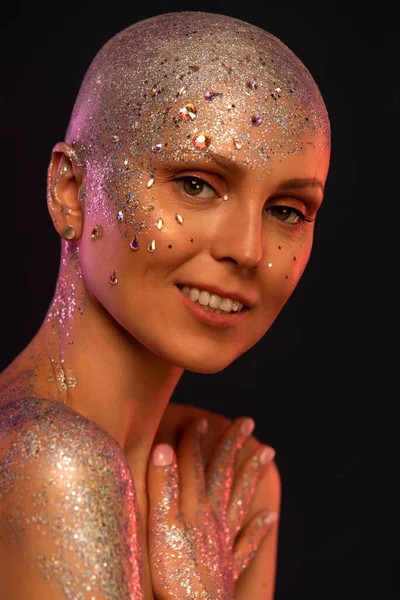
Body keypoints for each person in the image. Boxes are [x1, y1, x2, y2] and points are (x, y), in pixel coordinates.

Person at [0, 10, 330, 600]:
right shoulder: (51, 463)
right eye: (197, 184)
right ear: (71, 191)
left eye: (287, 210)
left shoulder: (228, 485)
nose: (248, 250)